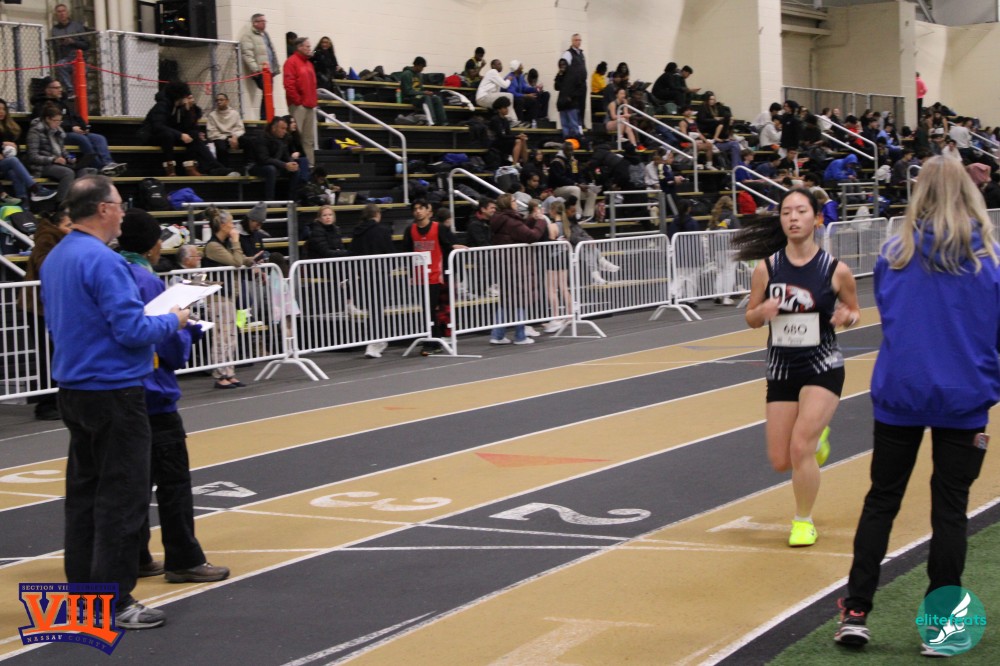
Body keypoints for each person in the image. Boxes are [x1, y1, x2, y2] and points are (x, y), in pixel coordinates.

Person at [835, 157, 998, 654]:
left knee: (882, 500)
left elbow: (892, 317)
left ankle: (856, 612)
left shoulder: (895, 255)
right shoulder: (989, 260)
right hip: (964, 396)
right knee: (950, 510)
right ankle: (941, 627)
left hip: (902, 392)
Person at [40, 175, 189, 630]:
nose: (124, 212)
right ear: (103, 209)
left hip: (75, 389)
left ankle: (85, 594)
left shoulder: (58, 256)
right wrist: (174, 319)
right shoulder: (104, 262)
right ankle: (115, 599)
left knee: (84, 497)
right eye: (120, 204)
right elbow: (132, 331)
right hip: (114, 391)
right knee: (122, 498)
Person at [735, 187, 860, 548]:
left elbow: (854, 311)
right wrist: (762, 312)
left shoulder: (836, 270)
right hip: (781, 368)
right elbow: (751, 318)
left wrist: (846, 317)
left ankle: (803, 521)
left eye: (801, 211)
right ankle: (818, 438)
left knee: (800, 446)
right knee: (781, 459)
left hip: (823, 364)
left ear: (817, 218)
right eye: (786, 212)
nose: (793, 218)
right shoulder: (767, 268)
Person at [115, 209, 230, 586]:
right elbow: (168, 346)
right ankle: (183, 557)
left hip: (121, 392)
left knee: (132, 482)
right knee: (173, 481)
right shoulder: (146, 281)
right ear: (153, 246)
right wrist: (187, 330)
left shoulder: (112, 272)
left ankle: (136, 554)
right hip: (154, 392)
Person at [23, 211, 72, 420]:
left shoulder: (59, 240)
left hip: (49, 305)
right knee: (48, 355)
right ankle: (47, 403)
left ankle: (57, 400)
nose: (72, 229)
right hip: (40, 307)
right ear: (57, 225)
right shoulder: (47, 238)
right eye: (68, 225)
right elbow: (46, 267)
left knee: (55, 353)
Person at [201, 206, 254, 389]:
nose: (233, 226)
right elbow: (235, 262)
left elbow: (240, 259)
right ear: (223, 225)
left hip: (229, 295)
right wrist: (236, 242)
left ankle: (229, 372)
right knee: (221, 337)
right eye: (231, 223)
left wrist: (250, 260)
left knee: (231, 336)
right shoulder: (213, 246)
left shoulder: (224, 244)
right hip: (218, 297)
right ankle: (220, 374)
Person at [402, 199, 464, 355]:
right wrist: (410, 273)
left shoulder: (438, 228)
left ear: (427, 211)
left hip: (435, 276)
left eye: (421, 208)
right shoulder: (410, 230)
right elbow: (407, 252)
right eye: (415, 209)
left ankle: (433, 342)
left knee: (430, 308)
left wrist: (453, 246)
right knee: (427, 310)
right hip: (419, 276)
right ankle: (434, 340)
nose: (418, 211)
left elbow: (447, 245)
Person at [31, 78, 126, 176]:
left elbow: (76, 116)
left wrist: (84, 127)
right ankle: (99, 166)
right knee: (81, 139)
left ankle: (108, 163)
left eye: (60, 87)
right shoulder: (40, 106)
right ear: (47, 90)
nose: (60, 90)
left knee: (99, 138)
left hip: (74, 132)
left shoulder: (64, 103)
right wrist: (71, 128)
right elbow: (46, 124)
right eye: (56, 88)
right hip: (58, 135)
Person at [142, 81, 234, 177]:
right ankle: (170, 168)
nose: (188, 98)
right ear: (180, 95)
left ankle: (212, 168)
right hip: (153, 136)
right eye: (186, 96)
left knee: (193, 135)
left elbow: (186, 127)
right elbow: (158, 126)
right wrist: (180, 135)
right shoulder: (162, 105)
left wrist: (188, 111)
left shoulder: (178, 107)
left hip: (171, 136)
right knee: (167, 135)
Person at [489, 193, 547, 345]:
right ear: (509, 204)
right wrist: (540, 222)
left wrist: (532, 219)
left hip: (505, 264)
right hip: (517, 264)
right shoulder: (511, 221)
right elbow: (531, 236)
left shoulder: (500, 219)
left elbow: (521, 231)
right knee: (520, 299)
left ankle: (497, 335)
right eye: (514, 201)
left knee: (506, 300)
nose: (516, 202)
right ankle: (520, 335)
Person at [350, 203, 394, 359]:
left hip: (364, 273)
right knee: (378, 308)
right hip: (379, 272)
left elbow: (353, 252)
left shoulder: (357, 231)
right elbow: (389, 251)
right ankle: (377, 340)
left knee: (371, 308)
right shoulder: (383, 230)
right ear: (377, 215)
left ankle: (376, 340)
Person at [0, 98, 57, 205]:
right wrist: (3, 144)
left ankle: (24, 206)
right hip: (5, 164)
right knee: (13, 161)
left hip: (7, 165)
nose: (1, 112)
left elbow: (17, 149)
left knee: (15, 172)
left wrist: (11, 149)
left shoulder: (11, 128)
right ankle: (35, 188)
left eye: (3, 109)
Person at [24, 103, 80, 205]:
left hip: (56, 163)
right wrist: (53, 159)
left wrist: (69, 157)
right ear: (47, 119)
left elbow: (62, 149)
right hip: (41, 166)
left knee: (84, 170)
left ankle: (77, 203)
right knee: (68, 173)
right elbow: (32, 156)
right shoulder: (35, 131)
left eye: (60, 121)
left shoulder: (58, 131)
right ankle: (61, 205)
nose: (58, 124)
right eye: (55, 121)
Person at [284, 37, 318, 166]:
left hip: (309, 105)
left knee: (309, 139)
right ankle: (296, 165)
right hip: (298, 106)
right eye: (307, 46)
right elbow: (289, 84)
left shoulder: (309, 64)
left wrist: (313, 101)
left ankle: (310, 166)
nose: (310, 49)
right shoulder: (291, 62)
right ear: (299, 47)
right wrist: (297, 101)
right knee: (296, 137)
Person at [240, 14, 281, 120]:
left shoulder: (265, 35)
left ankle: (268, 115)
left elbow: (271, 51)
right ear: (255, 23)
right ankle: (265, 117)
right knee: (267, 93)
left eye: (265, 21)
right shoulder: (248, 36)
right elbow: (247, 54)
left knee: (268, 93)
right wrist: (255, 69)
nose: (264, 23)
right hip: (260, 71)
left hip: (269, 70)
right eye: (262, 21)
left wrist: (275, 67)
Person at [248, 116, 298, 201]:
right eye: (282, 128)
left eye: (286, 129)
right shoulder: (262, 138)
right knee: (271, 169)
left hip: (275, 165)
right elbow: (264, 159)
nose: (285, 131)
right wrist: (284, 165)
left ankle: (292, 200)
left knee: (295, 169)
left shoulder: (284, 138)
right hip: (256, 165)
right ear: (274, 128)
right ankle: (269, 201)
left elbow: (286, 155)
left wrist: (291, 163)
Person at [541, 199, 572, 333]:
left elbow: (549, 244)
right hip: (563, 257)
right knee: (564, 288)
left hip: (553, 259)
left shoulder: (552, 226)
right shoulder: (566, 225)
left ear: (553, 211)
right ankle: (570, 315)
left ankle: (555, 317)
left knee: (552, 289)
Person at [50, 4, 88, 99]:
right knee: (60, 64)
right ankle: (70, 90)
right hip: (65, 58)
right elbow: (54, 47)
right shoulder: (55, 30)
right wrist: (61, 43)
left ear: (68, 13)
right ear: (56, 14)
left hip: (79, 58)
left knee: (80, 77)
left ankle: (82, 94)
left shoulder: (77, 26)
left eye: (63, 11)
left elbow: (86, 45)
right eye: (59, 12)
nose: (62, 13)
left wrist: (73, 42)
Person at [398, 57, 447, 126]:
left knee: (436, 98)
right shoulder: (406, 74)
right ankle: (432, 121)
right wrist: (423, 93)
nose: (422, 69)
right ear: (417, 65)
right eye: (422, 67)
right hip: (409, 97)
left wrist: (426, 92)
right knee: (426, 97)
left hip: (418, 96)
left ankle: (443, 122)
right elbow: (407, 91)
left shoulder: (419, 75)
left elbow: (420, 89)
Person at [205, 93, 246, 171]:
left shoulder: (235, 113)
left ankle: (248, 166)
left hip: (234, 136)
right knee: (221, 148)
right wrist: (227, 139)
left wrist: (235, 136)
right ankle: (224, 170)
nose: (219, 102)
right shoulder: (212, 115)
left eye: (221, 100)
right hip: (220, 137)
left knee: (248, 142)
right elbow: (211, 133)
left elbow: (240, 128)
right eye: (217, 100)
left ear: (227, 101)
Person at [476, 59, 520, 125]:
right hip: (483, 97)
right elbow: (505, 85)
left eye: (501, 64)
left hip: (487, 97)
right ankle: (512, 120)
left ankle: (507, 121)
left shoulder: (496, 75)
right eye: (499, 64)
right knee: (509, 96)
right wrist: (509, 79)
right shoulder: (493, 72)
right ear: (493, 66)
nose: (501, 66)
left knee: (502, 102)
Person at [506, 60, 549, 125]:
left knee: (533, 101)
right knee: (520, 101)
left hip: (519, 97)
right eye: (520, 65)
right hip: (511, 100)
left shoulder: (520, 76)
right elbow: (512, 93)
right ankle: (520, 122)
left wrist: (536, 89)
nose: (522, 67)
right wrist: (526, 95)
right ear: (516, 68)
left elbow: (525, 88)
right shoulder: (510, 77)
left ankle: (531, 121)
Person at [487, 97, 528, 165]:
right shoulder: (495, 119)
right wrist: (516, 136)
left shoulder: (505, 120)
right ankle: (514, 165)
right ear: (499, 109)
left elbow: (508, 134)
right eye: (505, 108)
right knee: (518, 141)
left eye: (507, 107)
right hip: (496, 142)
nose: (507, 109)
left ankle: (526, 164)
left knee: (522, 139)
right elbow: (500, 136)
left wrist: (519, 136)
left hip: (504, 141)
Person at [561, 34, 588, 125]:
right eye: (576, 40)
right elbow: (564, 68)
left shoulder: (581, 54)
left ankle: (581, 124)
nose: (578, 42)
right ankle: (575, 125)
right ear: (572, 41)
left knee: (582, 105)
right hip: (574, 85)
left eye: (579, 40)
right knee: (574, 105)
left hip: (582, 84)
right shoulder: (568, 54)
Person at [553, 59, 582, 140]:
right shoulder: (560, 76)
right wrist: (559, 75)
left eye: (564, 64)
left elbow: (579, 88)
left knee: (573, 124)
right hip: (562, 104)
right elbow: (556, 87)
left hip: (571, 103)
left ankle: (576, 140)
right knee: (565, 125)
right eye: (560, 65)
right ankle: (567, 140)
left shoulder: (573, 74)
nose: (562, 67)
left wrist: (571, 97)